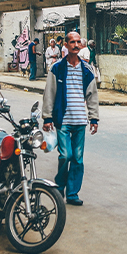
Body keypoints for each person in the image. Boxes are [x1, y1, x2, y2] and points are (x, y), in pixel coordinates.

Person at [42, 32, 99, 206]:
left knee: (78, 158)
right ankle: (59, 187)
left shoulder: (87, 70)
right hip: (63, 121)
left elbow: (92, 96)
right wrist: (47, 117)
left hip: (80, 121)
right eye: (71, 42)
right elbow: (49, 93)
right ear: (65, 45)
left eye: (77, 42)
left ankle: (73, 193)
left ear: (81, 46)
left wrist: (94, 118)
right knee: (65, 156)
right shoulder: (57, 68)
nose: (75, 45)